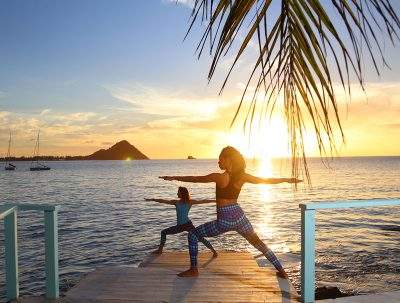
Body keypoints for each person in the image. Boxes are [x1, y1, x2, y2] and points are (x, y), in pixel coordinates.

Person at [160, 146, 302, 278]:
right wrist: (288, 180)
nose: (218, 162)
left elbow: (195, 179)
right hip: (239, 217)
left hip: (225, 220)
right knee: (258, 243)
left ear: (228, 159)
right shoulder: (242, 176)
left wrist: (174, 177)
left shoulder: (219, 177)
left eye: (220, 158)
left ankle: (194, 269)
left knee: (192, 235)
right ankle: (282, 271)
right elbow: (265, 180)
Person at [145, 186, 218, 256]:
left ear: (182, 193)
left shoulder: (189, 202)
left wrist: (214, 200)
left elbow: (203, 201)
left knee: (200, 238)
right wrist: (153, 199)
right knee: (163, 232)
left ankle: (213, 251)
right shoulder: (176, 202)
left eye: (178, 192)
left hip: (188, 225)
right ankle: (160, 250)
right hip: (179, 226)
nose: (177, 194)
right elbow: (164, 201)